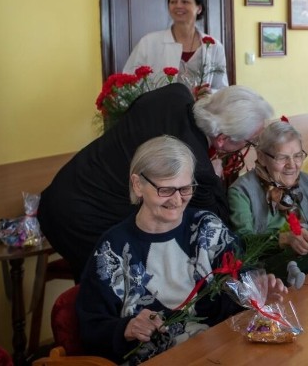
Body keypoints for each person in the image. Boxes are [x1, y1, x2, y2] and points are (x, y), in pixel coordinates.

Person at [77, 136, 287, 364]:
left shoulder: (208, 228)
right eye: (166, 190)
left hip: (220, 353)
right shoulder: (113, 250)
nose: (177, 200)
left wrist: (257, 293)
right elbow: (90, 328)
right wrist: (126, 327)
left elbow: (240, 281)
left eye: (185, 188)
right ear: (138, 185)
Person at [39, 84, 274, 281]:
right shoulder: (195, 166)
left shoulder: (176, 93)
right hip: (83, 218)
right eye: (250, 142)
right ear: (222, 140)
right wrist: (214, 175)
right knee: (112, 289)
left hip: (61, 189)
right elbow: (217, 223)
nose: (247, 148)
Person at [229, 120, 308, 273]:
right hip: (272, 274)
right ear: (261, 157)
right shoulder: (241, 191)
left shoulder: (307, 182)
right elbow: (242, 243)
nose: (292, 165)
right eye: (282, 158)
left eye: (298, 156)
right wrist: (283, 239)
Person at [124, 0, 228, 92]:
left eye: (185, 1)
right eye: (173, 1)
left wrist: (209, 93)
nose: (178, 6)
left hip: (203, 108)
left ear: (199, 8)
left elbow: (222, 88)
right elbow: (128, 83)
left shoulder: (214, 46)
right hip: (161, 109)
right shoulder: (148, 43)